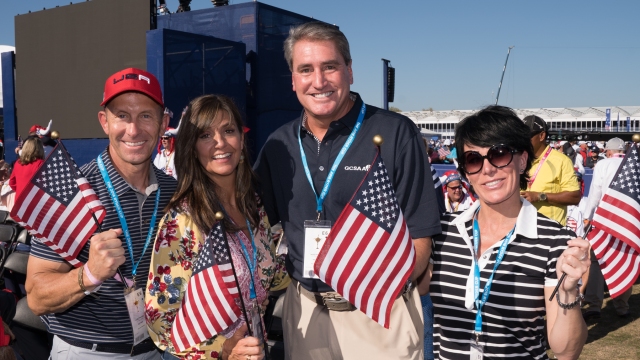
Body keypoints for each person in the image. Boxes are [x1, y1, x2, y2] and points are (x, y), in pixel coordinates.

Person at [254, 22, 441, 359]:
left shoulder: (396, 133)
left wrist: (376, 285)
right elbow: (249, 221)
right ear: (293, 80)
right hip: (307, 312)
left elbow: (420, 239)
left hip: (380, 316)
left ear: (349, 71)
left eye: (330, 66)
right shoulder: (278, 144)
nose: (319, 81)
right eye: (306, 69)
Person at [25, 68, 177, 359]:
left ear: (163, 123)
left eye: (146, 115)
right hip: (89, 352)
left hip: (157, 351)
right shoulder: (70, 192)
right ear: (104, 121)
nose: (133, 130)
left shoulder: (176, 192)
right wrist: (89, 274)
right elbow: (36, 297)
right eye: (122, 116)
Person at [424, 105, 589, 360]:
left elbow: (566, 352)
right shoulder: (442, 231)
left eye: (498, 155)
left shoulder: (555, 241)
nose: (487, 169)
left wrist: (568, 293)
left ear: (522, 160)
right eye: (474, 159)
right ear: (466, 172)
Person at [146, 95, 289, 360]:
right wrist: (221, 349)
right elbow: (160, 320)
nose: (220, 143)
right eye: (205, 135)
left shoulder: (254, 207)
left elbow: (275, 274)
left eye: (228, 131)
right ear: (192, 147)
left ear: (242, 139)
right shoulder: (182, 219)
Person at [581, 137, 632, 319]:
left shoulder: (603, 165)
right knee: (625, 259)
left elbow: (594, 193)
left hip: (605, 218)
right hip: (627, 220)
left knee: (596, 262)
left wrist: (587, 217)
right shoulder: (634, 164)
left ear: (608, 151)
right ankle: (622, 306)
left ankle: (594, 305)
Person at [520, 115, 580, 226]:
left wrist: (539, 196)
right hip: (521, 229)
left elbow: (574, 197)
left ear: (541, 136)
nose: (522, 140)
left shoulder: (561, 161)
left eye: (526, 136)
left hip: (551, 232)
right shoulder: (517, 159)